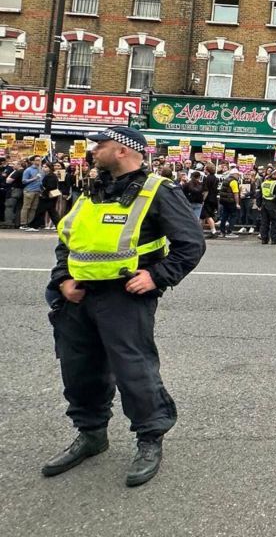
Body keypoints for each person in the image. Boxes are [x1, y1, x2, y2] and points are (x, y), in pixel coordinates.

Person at [43, 126, 205, 487]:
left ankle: (150, 439)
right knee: (79, 369)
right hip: (78, 296)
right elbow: (68, 241)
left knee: (135, 371)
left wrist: (157, 276)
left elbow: (191, 244)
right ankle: (91, 434)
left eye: (100, 144)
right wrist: (61, 279)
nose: (93, 150)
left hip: (125, 296)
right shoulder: (91, 191)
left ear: (122, 150)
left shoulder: (158, 191)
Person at [33, 162, 63, 230]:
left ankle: (34, 226)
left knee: (40, 211)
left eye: (46, 167)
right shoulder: (48, 175)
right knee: (52, 212)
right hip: (48, 196)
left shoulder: (51, 176)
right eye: (43, 167)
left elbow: (50, 186)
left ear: (50, 168)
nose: (44, 168)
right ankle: (59, 225)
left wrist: (43, 188)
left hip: (48, 196)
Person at [259, 168, 276, 245]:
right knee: (275, 222)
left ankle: (264, 239)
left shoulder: (264, 183)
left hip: (264, 204)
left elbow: (259, 194)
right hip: (273, 205)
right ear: (274, 175)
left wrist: (259, 204)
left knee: (264, 222)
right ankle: (274, 239)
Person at [20, 156, 43, 231]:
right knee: (26, 207)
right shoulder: (28, 170)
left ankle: (30, 223)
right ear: (32, 161)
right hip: (29, 190)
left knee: (34, 208)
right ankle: (23, 223)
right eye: (37, 160)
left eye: (39, 160)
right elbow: (24, 181)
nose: (38, 162)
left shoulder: (41, 170)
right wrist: (34, 178)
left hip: (38, 191)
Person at [217, 169, 241, 239]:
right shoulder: (233, 181)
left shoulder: (226, 180)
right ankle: (229, 232)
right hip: (231, 201)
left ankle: (222, 232)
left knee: (224, 216)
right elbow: (235, 193)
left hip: (224, 201)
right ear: (234, 174)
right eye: (237, 174)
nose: (238, 176)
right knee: (233, 216)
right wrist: (237, 203)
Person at [200, 164, 219, 238]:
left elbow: (206, 190)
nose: (204, 170)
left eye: (205, 169)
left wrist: (203, 200)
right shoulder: (215, 178)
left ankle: (214, 232)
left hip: (208, 199)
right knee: (202, 216)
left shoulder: (207, 178)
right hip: (213, 198)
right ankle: (199, 231)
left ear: (207, 170)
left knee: (208, 216)